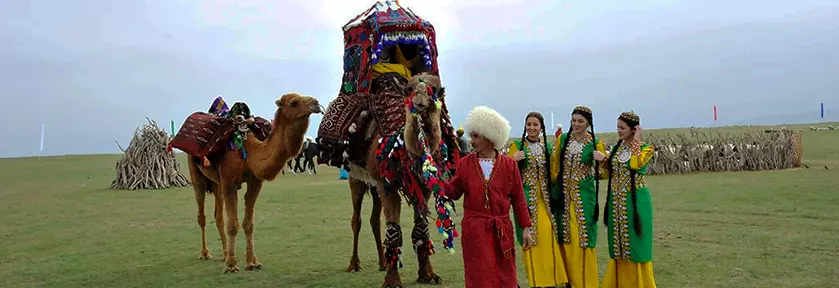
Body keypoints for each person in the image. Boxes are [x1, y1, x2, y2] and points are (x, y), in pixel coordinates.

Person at [441, 106, 533, 288]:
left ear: (490, 138)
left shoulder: (509, 165)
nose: (471, 140)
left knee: (504, 276)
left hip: (502, 229)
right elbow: (454, 191)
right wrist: (437, 181)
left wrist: (526, 228)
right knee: (479, 276)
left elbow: (518, 197)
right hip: (475, 230)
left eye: (476, 136)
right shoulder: (465, 164)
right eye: (471, 135)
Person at [508, 112, 569, 288]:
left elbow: (554, 171)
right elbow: (505, 171)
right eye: (529, 124)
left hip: (545, 202)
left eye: (535, 125)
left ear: (541, 127)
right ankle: (536, 281)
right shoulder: (517, 145)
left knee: (548, 237)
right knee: (531, 241)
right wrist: (513, 159)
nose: (532, 128)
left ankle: (549, 281)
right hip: (526, 201)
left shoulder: (546, 147)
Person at [599, 111, 657, 288]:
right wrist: (604, 161)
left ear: (634, 129)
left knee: (635, 244)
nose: (618, 131)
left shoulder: (646, 148)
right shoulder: (618, 148)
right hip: (617, 203)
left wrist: (637, 141)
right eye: (617, 127)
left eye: (622, 128)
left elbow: (635, 165)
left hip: (636, 202)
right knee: (618, 244)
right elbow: (611, 173)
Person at [552, 106, 606, 288]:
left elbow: (605, 174)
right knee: (565, 235)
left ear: (588, 123)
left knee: (583, 236)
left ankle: (585, 282)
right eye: (573, 120)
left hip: (585, 196)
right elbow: (555, 166)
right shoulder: (563, 140)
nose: (576, 124)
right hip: (564, 196)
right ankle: (568, 280)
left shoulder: (595, 143)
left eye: (580, 121)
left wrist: (603, 160)